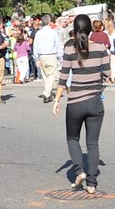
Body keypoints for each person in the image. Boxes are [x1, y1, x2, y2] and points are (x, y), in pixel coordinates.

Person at [51, 14, 110, 193]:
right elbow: (108, 74)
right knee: (93, 143)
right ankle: (92, 183)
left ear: (75, 30)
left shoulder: (70, 48)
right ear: (91, 30)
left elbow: (63, 78)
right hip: (95, 102)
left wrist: (56, 100)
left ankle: (80, 170)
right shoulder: (100, 48)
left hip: (75, 101)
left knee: (72, 138)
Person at [34, 15, 62, 103]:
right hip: (51, 55)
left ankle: (48, 94)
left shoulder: (38, 33)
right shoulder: (53, 32)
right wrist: (60, 56)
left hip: (42, 55)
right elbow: (58, 45)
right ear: (49, 22)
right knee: (52, 74)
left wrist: (36, 58)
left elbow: (35, 46)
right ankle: (46, 93)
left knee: (45, 75)